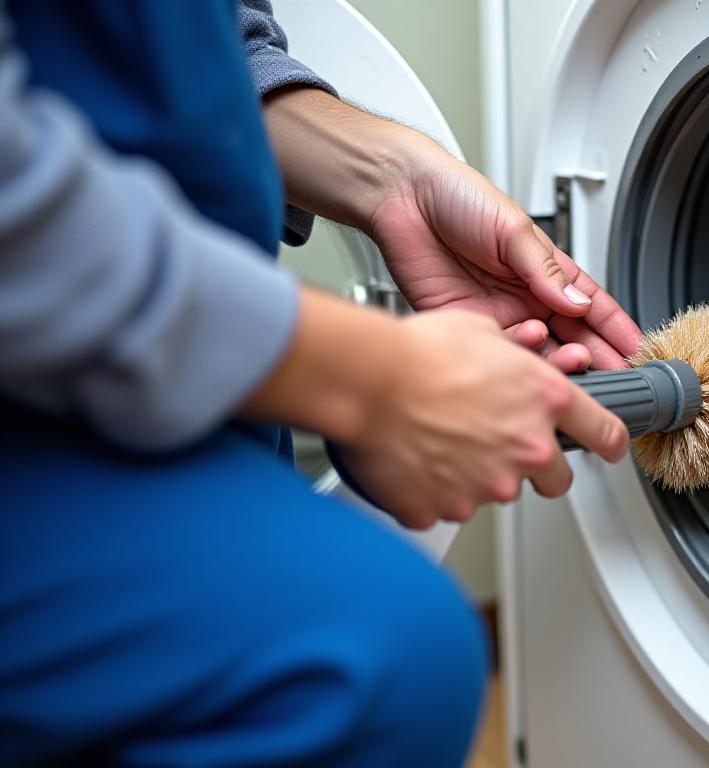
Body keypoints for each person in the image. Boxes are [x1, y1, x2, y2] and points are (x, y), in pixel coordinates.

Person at [0, 1, 642, 765]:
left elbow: (195, 42)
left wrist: (391, 175)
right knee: (378, 658)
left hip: (176, 370)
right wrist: (373, 381)